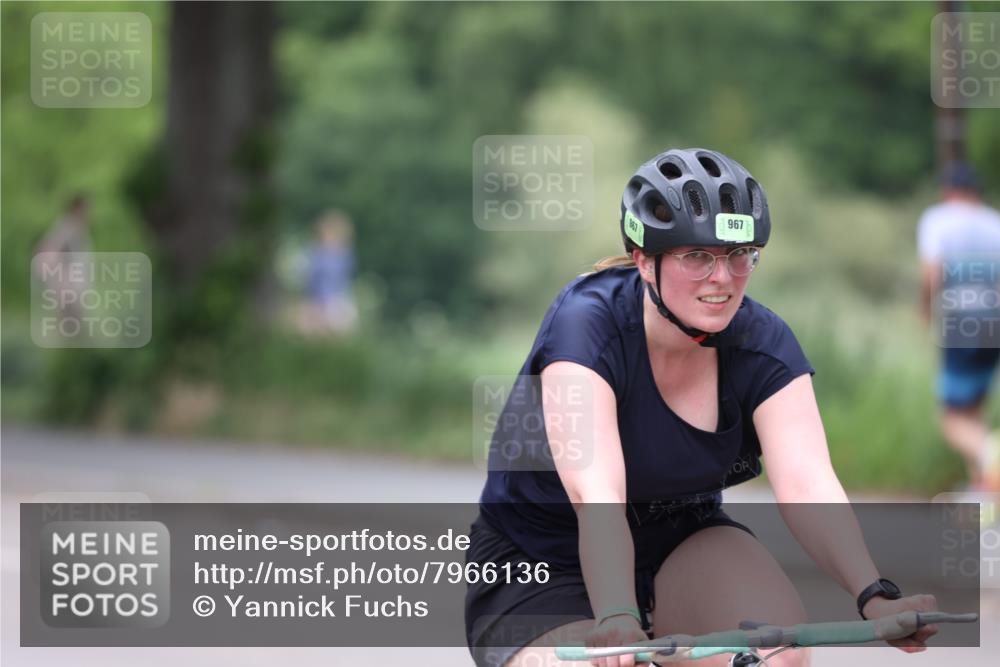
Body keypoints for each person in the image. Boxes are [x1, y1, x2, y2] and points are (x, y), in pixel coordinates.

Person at [465, 148, 939, 667]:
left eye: (741, 255)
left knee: (777, 656)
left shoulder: (763, 341)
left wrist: (874, 594)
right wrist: (618, 615)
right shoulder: (586, 324)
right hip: (544, 560)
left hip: (683, 543)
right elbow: (596, 496)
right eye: (697, 256)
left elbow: (807, 483)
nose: (723, 278)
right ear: (645, 259)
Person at [918, 161, 1000, 492]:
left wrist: (924, 310)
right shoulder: (994, 222)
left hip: (961, 321)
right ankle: (985, 489)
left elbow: (932, 272)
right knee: (975, 408)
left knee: (952, 419)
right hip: (995, 320)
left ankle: (990, 454)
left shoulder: (938, 219)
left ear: (947, 191)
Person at [297, 210, 358, 336]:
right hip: (317, 301)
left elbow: (342, 281)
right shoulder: (316, 253)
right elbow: (311, 280)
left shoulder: (344, 254)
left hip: (336, 300)